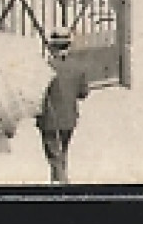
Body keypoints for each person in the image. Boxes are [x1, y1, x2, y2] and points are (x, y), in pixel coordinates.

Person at [36, 30, 92, 184]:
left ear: (51, 48)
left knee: (54, 157)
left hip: (49, 119)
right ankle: (58, 181)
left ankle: (62, 186)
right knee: (63, 153)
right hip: (69, 118)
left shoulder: (45, 68)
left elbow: (37, 94)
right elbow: (83, 93)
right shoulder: (78, 67)